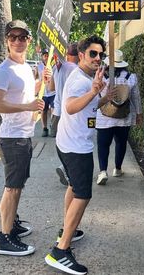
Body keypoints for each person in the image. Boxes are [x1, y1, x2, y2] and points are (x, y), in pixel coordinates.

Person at [45, 35, 113, 275]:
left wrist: (103, 95)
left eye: (100, 55)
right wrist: (94, 89)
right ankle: (60, 252)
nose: (97, 58)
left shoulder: (87, 78)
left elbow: (88, 104)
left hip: (68, 142)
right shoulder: (79, 80)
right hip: (76, 147)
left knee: (74, 187)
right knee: (83, 195)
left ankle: (67, 230)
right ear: (82, 55)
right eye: (92, 54)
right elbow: (70, 107)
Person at [0, 20, 47, 256]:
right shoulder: (3, 71)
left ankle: (11, 224)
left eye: (22, 37)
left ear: (29, 40)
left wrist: (41, 80)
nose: (17, 41)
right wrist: (27, 106)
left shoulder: (26, 68)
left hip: (24, 135)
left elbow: (25, 91)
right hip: (12, 138)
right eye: (12, 37)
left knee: (18, 184)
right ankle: (5, 238)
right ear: (7, 41)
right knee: (12, 188)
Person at [96, 49, 143, 185]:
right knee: (121, 143)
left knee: (103, 145)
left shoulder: (101, 77)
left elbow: (94, 96)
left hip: (104, 118)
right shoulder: (131, 77)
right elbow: (136, 98)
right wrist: (139, 114)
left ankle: (103, 171)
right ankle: (117, 168)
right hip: (124, 117)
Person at [49, 43, 79, 186]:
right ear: (79, 55)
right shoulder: (76, 70)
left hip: (56, 111)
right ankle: (67, 169)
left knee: (61, 143)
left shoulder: (58, 66)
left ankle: (65, 168)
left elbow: (51, 88)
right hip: (70, 112)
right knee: (72, 144)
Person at [36, 48, 55, 137]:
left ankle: (53, 125)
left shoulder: (53, 65)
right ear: (42, 56)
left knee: (53, 109)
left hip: (52, 92)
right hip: (43, 92)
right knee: (44, 110)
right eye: (45, 55)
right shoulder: (39, 66)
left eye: (48, 55)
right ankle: (44, 128)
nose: (46, 57)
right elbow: (35, 77)